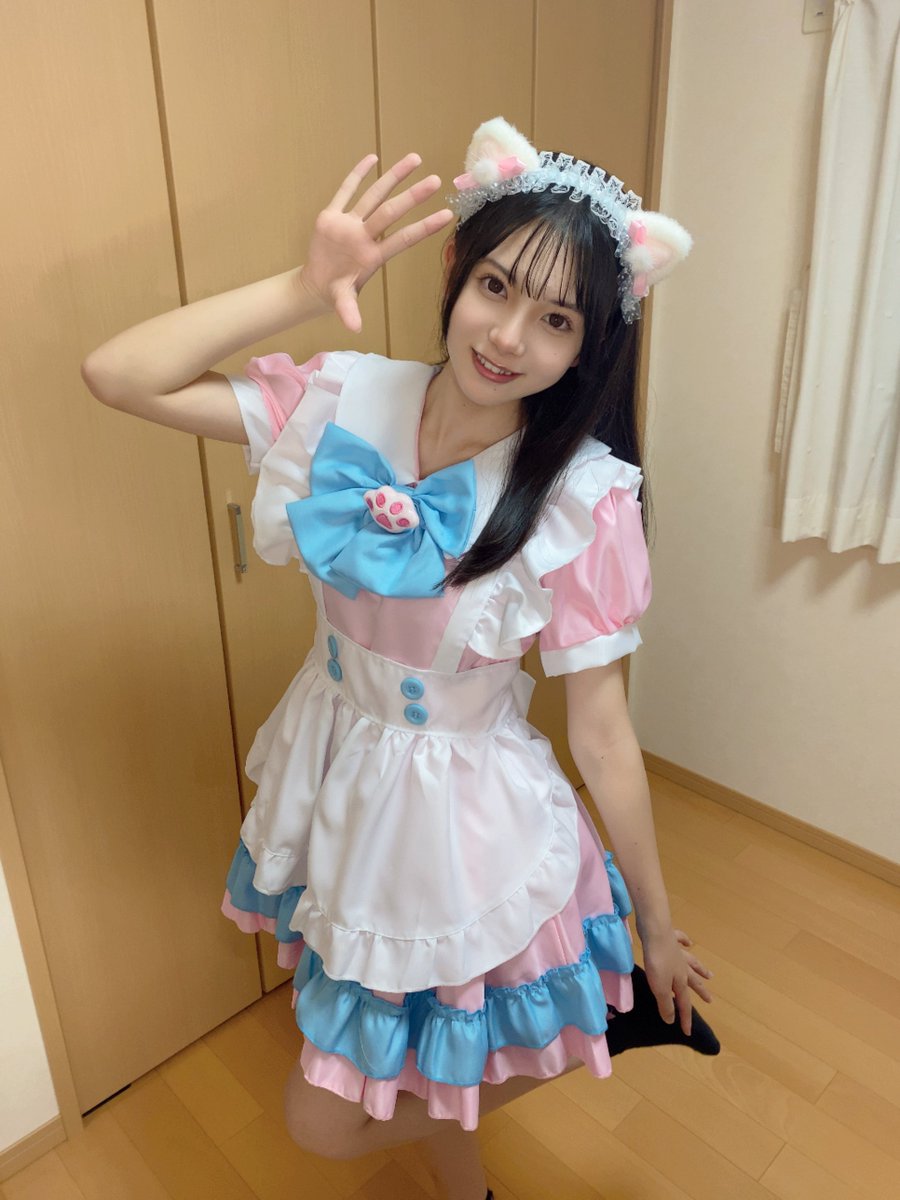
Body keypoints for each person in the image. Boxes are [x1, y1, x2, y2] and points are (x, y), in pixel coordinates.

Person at [82, 117, 717, 1200]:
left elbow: (604, 735)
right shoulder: (344, 398)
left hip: (464, 818)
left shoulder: (583, 500)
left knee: (322, 1123)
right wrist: (301, 284)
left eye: (556, 319)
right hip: (340, 770)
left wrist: (658, 926)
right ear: (455, 268)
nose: (508, 336)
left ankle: (599, 1020)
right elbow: (117, 373)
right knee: (421, 1046)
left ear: (587, 346)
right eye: (496, 287)